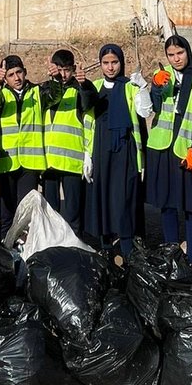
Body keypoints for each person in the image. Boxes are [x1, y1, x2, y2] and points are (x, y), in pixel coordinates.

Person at [146, 34, 192, 264]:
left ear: (188, 52)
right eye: (171, 55)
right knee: (168, 203)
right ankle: (171, 251)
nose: (176, 59)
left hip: (188, 150)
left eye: (180, 53)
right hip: (162, 147)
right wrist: (155, 87)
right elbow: (151, 107)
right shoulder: (162, 78)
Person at [82, 43, 151, 260]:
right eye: (106, 63)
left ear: (121, 63)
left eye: (114, 62)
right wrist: (87, 154)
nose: (111, 67)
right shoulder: (94, 86)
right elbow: (87, 120)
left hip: (125, 149)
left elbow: (145, 111)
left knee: (125, 197)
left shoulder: (130, 86)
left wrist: (143, 88)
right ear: (100, 64)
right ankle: (106, 247)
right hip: (101, 148)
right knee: (102, 195)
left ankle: (128, 247)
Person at [0, 54, 45, 239]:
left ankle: (26, 249)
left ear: (25, 72)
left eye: (19, 72)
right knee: (7, 212)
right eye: (11, 75)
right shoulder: (1, 94)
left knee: (26, 210)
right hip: (6, 161)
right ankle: (6, 248)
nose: (16, 78)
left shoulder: (37, 92)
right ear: (5, 78)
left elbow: (54, 95)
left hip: (30, 162)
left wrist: (56, 79)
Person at [41, 49, 96, 235]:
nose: (63, 74)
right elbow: (49, 100)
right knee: (50, 211)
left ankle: (75, 248)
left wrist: (85, 84)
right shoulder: (46, 89)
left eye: (67, 70)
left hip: (72, 161)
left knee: (73, 212)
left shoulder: (79, 89)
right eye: (59, 69)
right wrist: (55, 81)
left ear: (73, 69)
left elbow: (89, 102)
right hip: (49, 162)